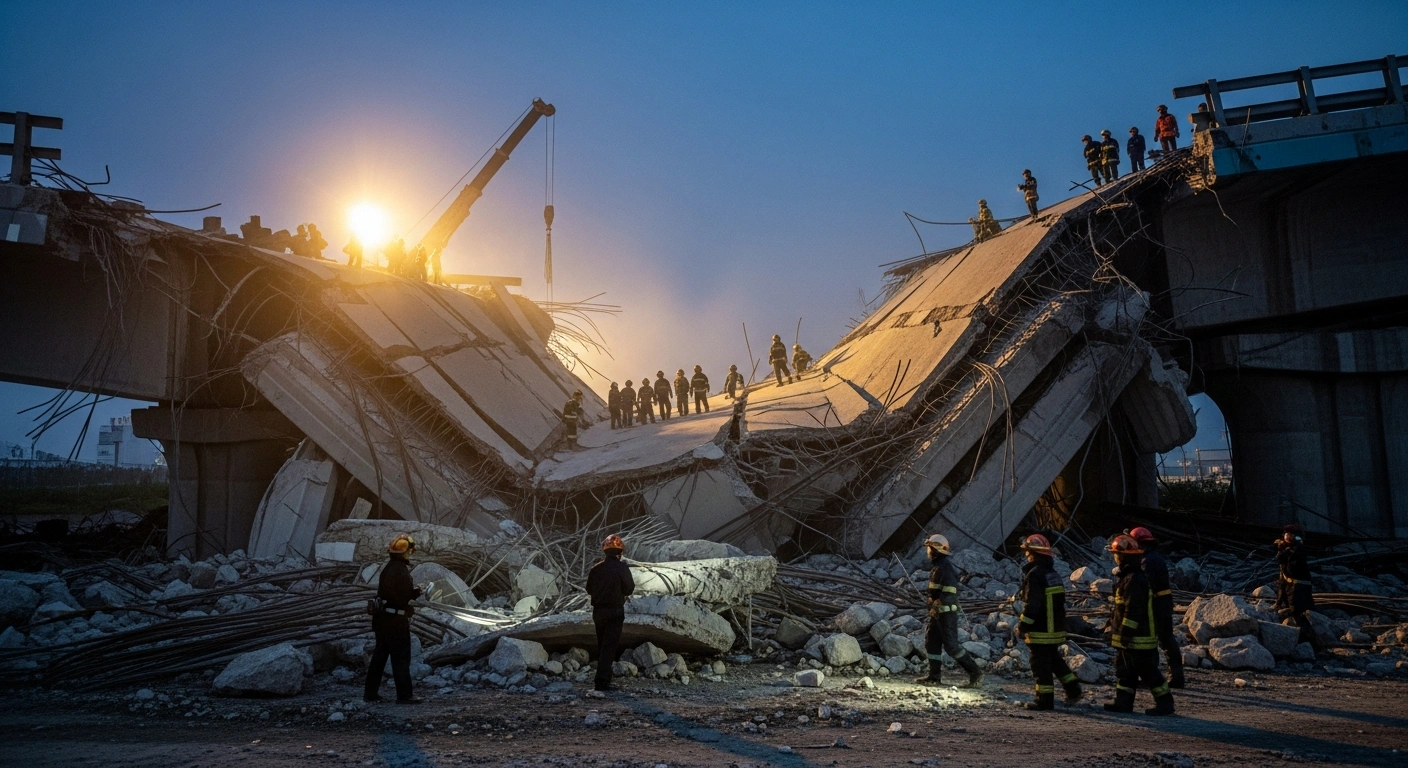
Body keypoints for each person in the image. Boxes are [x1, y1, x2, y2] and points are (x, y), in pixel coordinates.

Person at [1104, 534, 1175, 716]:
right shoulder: (1128, 577)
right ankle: (1123, 702)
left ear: (1124, 556)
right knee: (1125, 671)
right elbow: (1120, 609)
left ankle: (1165, 703)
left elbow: (1133, 611)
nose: (1114, 557)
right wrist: (1112, 629)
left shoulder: (1135, 580)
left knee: (1148, 671)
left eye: (1116, 554)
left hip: (1138, 638)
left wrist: (1126, 633)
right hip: (1129, 639)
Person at [1015, 533, 1081, 709]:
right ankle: (1073, 689)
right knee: (1054, 660)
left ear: (1032, 554)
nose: (1025, 556)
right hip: (1055, 628)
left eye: (1027, 552)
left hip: (1040, 630)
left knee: (1040, 665)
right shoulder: (1053, 574)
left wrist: (1022, 625)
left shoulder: (1035, 575)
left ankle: (1044, 701)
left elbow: (1033, 605)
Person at [915, 533, 984, 688]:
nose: (927, 552)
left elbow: (950, 593)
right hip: (937, 614)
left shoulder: (945, 568)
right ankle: (934, 676)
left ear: (935, 550)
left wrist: (937, 605)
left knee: (952, 647)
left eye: (929, 548)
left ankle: (975, 673)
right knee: (931, 643)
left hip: (946, 615)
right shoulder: (938, 567)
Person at [364, 534, 423, 704]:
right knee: (401, 657)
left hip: (382, 619)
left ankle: (370, 694)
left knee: (379, 657)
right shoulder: (401, 570)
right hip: (396, 621)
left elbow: (390, 594)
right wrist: (414, 597)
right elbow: (402, 597)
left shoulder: (387, 568)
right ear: (406, 552)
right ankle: (405, 695)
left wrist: (413, 593)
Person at [1128, 527, 1183, 688]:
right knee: (1166, 639)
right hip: (1163, 603)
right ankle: (1176, 676)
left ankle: (1154, 677)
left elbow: (1143, 585)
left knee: (1153, 641)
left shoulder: (1147, 561)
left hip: (1156, 605)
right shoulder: (1153, 558)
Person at [586, 534, 635, 692]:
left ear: (605, 551)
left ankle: (603, 678)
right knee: (609, 647)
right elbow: (629, 589)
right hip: (615, 611)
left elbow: (588, 589)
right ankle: (601, 683)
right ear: (620, 552)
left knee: (602, 645)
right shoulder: (622, 568)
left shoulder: (596, 569)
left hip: (598, 612)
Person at [1275, 524, 1319, 654]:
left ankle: (1308, 643)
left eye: (1292, 535)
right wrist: (1278, 601)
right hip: (1291, 586)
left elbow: (1291, 569)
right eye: (1287, 534)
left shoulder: (1298, 550)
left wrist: (1285, 553)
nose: (1288, 537)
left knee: (1300, 613)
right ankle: (1303, 641)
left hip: (1300, 587)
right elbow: (1283, 577)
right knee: (1294, 612)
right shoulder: (1287, 548)